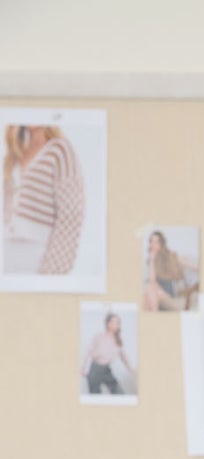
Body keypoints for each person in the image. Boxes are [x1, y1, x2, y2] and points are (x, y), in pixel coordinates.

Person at [2, 122, 85, 277]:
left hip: (38, 259)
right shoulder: (11, 157)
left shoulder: (60, 150)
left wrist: (51, 275)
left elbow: (71, 216)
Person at [81, 311, 135, 396]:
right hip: (95, 370)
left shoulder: (118, 341)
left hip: (106, 370)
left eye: (117, 322)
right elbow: (88, 353)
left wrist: (131, 369)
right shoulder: (99, 336)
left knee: (120, 393)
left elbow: (124, 357)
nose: (115, 324)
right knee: (95, 397)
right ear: (107, 323)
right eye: (112, 322)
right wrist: (83, 368)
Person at [143, 228, 198, 312]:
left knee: (149, 291)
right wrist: (152, 259)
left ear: (162, 243)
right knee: (149, 294)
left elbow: (189, 265)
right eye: (151, 241)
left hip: (170, 287)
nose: (153, 244)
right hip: (157, 287)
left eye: (156, 242)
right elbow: (152, 280)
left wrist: (199, 268)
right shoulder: (150, 259)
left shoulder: (171, 255)